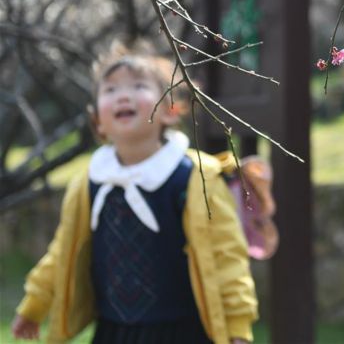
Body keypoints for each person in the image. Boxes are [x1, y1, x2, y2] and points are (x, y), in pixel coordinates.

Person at [11, 43, 258, 343]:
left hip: (183, 332)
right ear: (97, 121)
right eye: (111, 90)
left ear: (171, 110)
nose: (123, 95)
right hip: (113, 333)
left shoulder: (194, 178)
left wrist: (238, 328)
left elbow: (227, 256)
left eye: (139, 86)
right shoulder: (90, 183)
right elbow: (63, 252)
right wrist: (34, 305)